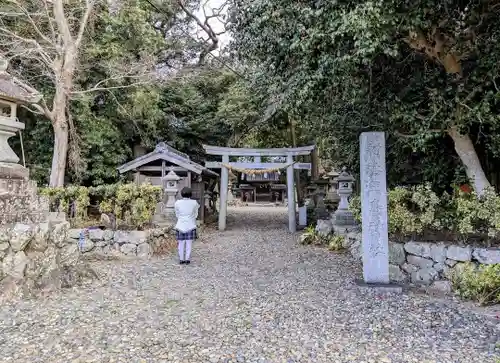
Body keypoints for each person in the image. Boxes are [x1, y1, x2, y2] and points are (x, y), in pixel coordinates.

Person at [174, 187, 199, 265]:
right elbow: (195, 215)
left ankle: (181, 259)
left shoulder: (177, 203)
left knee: (180, 244)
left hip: (180, 225)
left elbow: (177, 214)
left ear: (182, 194)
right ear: (190, 194)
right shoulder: (195, 202)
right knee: (189, 244)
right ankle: (187, 259)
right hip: (190, 225)